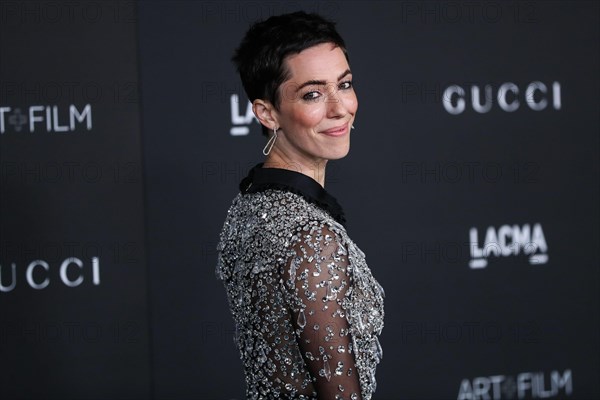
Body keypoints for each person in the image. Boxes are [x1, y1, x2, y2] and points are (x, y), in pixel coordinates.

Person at [216, 11, 384, 400]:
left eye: (344, 85)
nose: (339, 107)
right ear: (267, 112)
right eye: (312, 94)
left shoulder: (248, 207)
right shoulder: (312, 238)